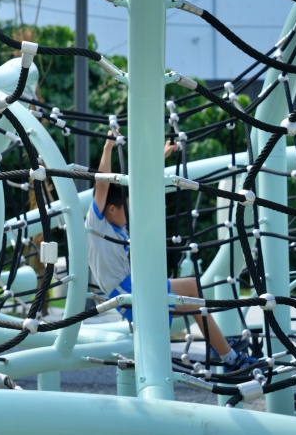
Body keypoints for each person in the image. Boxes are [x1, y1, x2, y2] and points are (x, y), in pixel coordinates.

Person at [89, 133, 256, 371]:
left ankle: (222, 349)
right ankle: (228, 356)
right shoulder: (97, 223)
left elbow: (143, 185)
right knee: (191, 290)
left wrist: (161, 157)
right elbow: (103, 183)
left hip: (129, 289)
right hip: (125, 292)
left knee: (192, 300)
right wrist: (107, 148)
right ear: (112, 208)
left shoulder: (118, 225)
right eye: (124, 208)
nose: (128, 213)